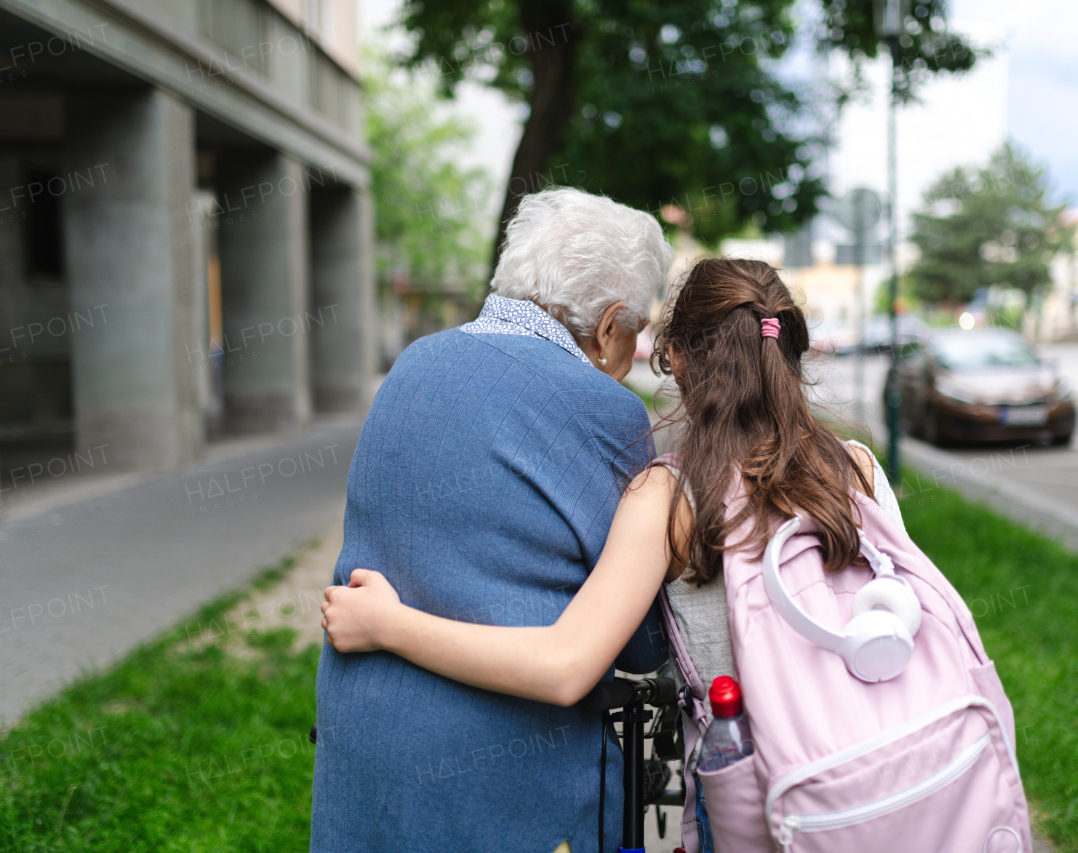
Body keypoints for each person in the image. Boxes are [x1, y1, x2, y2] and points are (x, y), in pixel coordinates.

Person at [320, 258, 905, 850]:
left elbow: (564, 667)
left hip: (740, 803)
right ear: (789, 350)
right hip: (871, 774)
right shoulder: (857, 468)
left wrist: (387, 626)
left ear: (673, 356)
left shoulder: (670, 497)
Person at [309, 187, 673, 853]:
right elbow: (639, 641)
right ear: (610, 323)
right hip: (503, 764)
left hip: (364, 743)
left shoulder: (412, 363)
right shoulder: (604, 410)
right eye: (640, 330)